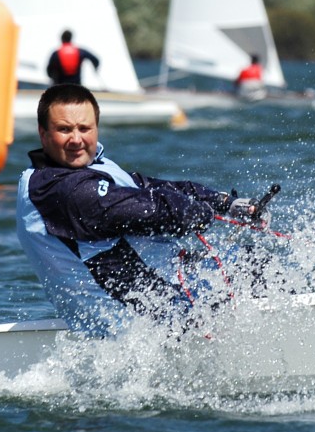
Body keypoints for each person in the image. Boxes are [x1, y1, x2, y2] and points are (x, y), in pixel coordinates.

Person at [16, 84, 268, 336]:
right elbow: (147, 210)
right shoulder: (58, 189)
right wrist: (196, 213)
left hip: (156, 285)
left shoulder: (90, 167)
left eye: (84, 128)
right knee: (256, 265)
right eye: (64, 129)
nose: (76, 139)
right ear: (43, 133)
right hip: (134, 326)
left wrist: (225, 203)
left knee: (251, 258)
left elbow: (152, 187)